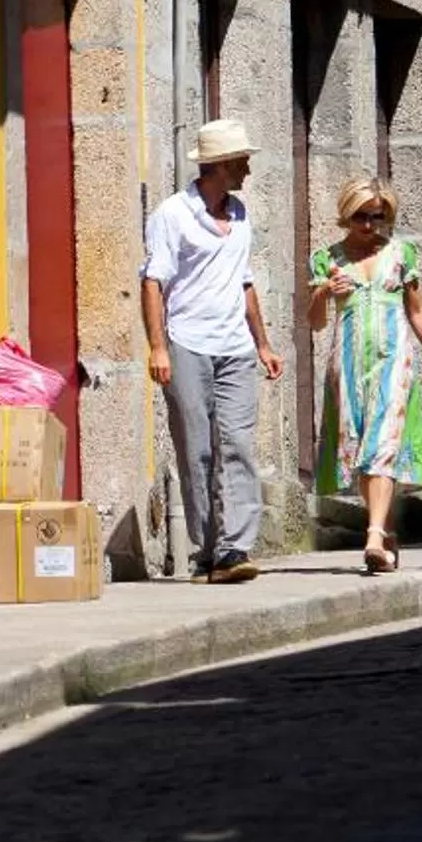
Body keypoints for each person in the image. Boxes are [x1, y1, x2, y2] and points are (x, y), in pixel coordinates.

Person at [141, 117, 283, 584]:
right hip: (187, 344)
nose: (247, 168)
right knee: (197, 448)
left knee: (238, 444)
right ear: (219, 164)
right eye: (241, 160)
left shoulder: (240, 214)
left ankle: (233, 548)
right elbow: (153, 282)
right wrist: (158, 347)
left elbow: (244, 282)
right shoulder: (172, 214)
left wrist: (262, 343)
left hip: (235, 348)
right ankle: (208, 550)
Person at [308, 176, 422, 575]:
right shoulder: (328, 259)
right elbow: (315, 322)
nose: (370, 225)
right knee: (358, 446)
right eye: (361, 217)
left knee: (382, 441)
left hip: (395, 357)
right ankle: (386, 530)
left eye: (378, 216)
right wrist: (324, 293)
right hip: (349, 360)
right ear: (346, 215)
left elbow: (416, 310)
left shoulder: (401, 253)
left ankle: (372, 534)